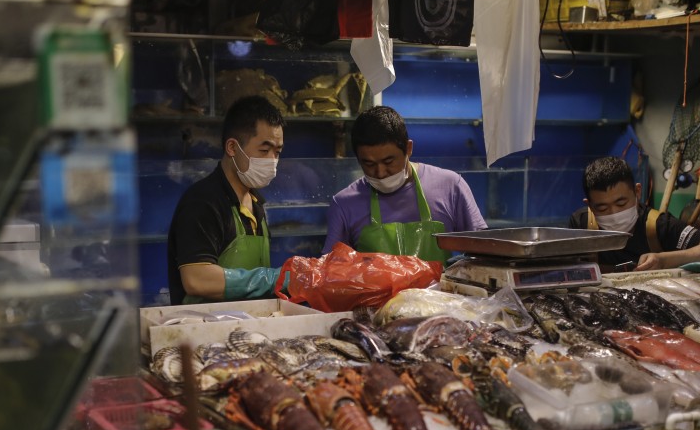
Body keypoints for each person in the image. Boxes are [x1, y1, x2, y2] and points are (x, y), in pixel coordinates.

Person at [323, 106, 486, 261]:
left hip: (441, 290)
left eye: (389, 161)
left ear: (408, 148)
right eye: (369, 164)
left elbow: (483, 253)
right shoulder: (344, 204)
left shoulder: (451, 186)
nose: (380, 173)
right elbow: (332, 271)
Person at [167, 95, 285, 305]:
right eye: (264, 150)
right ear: (232, 147)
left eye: (277, 152)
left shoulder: (256, 203)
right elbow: (197, 279)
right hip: (203, 329)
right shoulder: (202, 202)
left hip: (252, 325)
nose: (272, 161)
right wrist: (278, 278)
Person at [570, 156, 700, 272]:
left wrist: (663, 259)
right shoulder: (581, 225)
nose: (614, 213)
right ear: (589, 205)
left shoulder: (658, 225)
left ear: (637, 191)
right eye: (602, 208)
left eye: (621, 203)